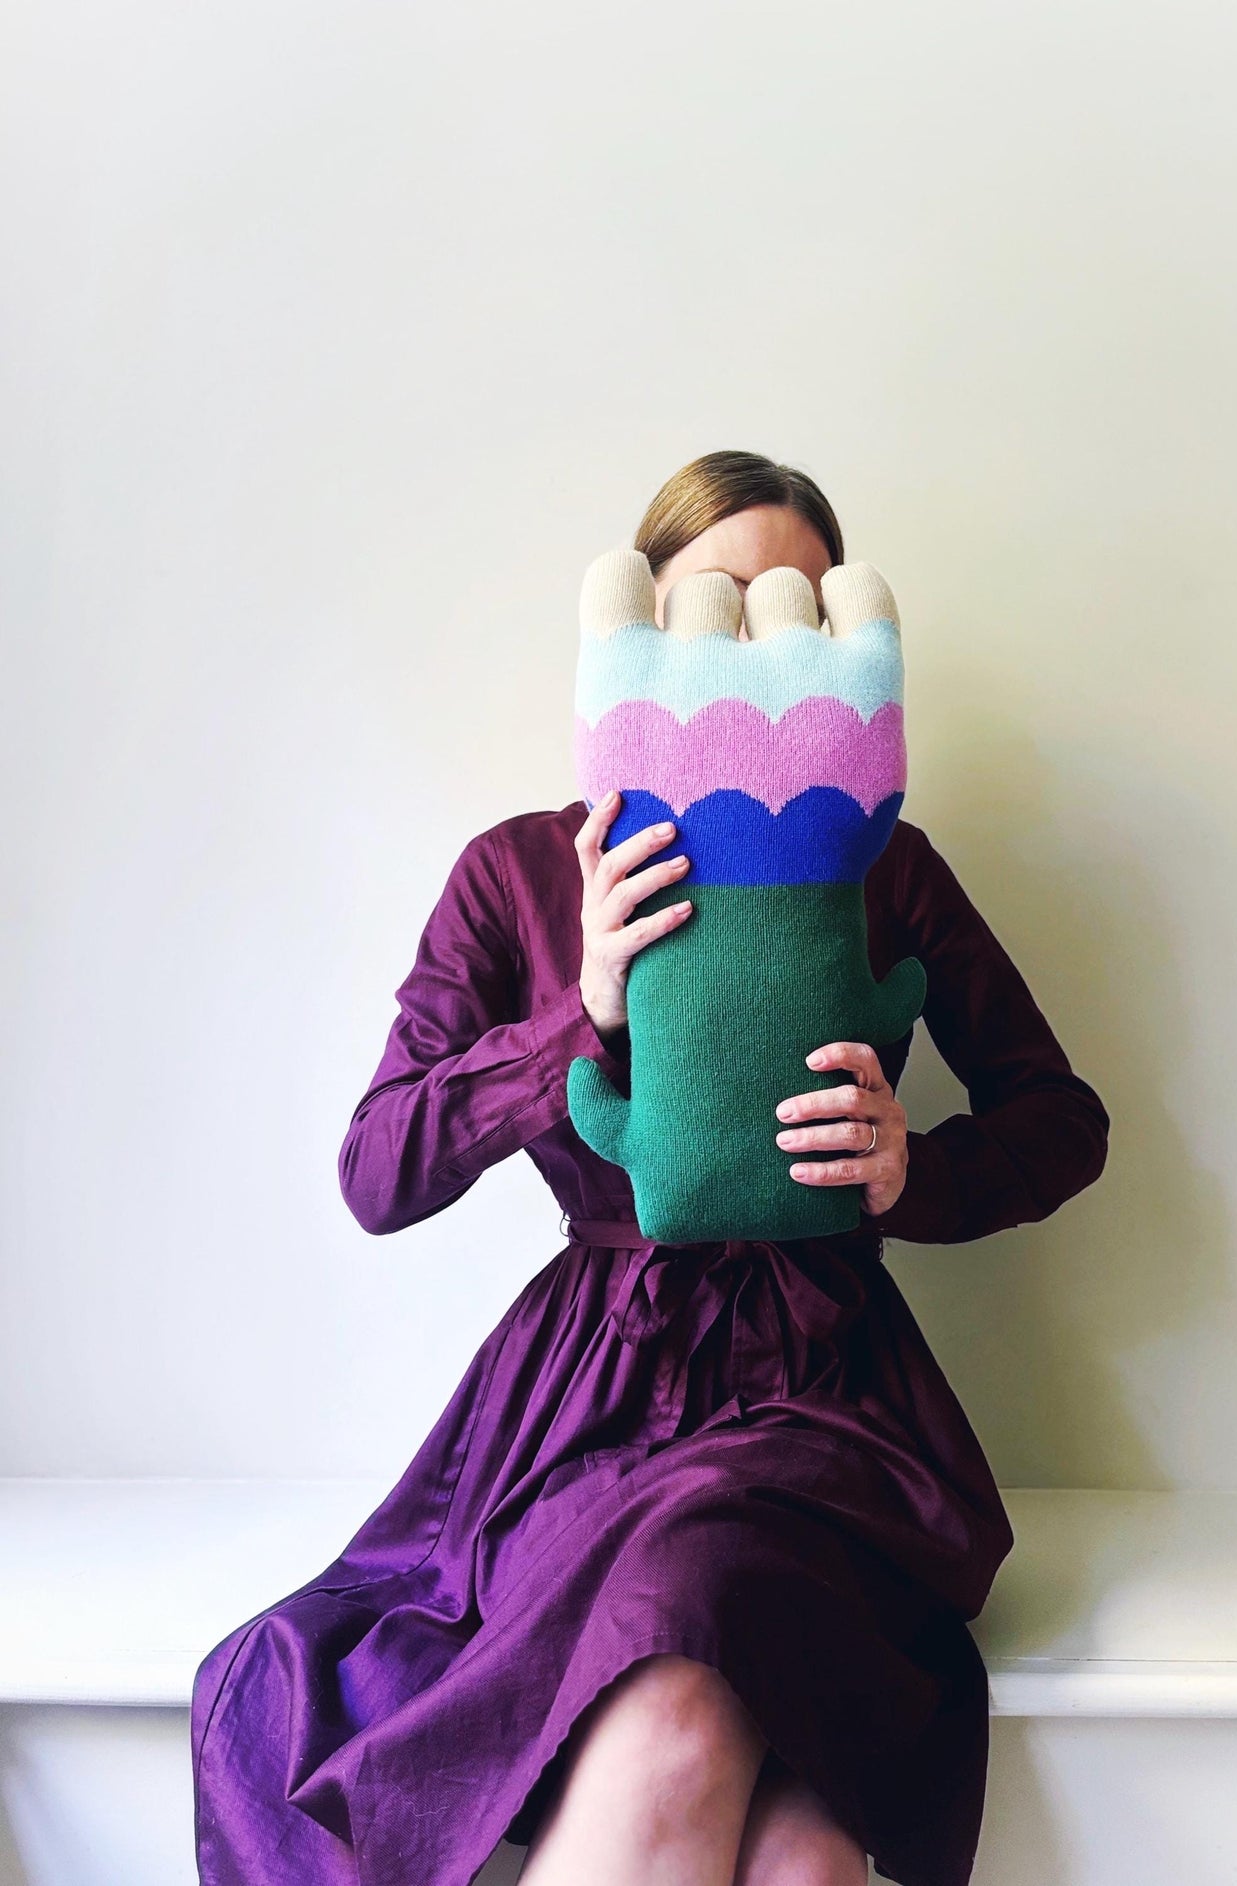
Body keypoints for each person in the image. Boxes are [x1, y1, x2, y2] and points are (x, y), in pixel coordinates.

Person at [190, 450, 1110, 1886]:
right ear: (640, 629)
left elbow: (1061, 1118)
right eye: (715, 598)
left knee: (704, 1640)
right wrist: (581, 1008)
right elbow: (378, 1170)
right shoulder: (515, 874)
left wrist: (905, 1172)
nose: (749, 635)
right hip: (586, 1404)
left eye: (787, 604)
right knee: (794, 1849)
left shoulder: (885, 865)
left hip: (830, 1400)